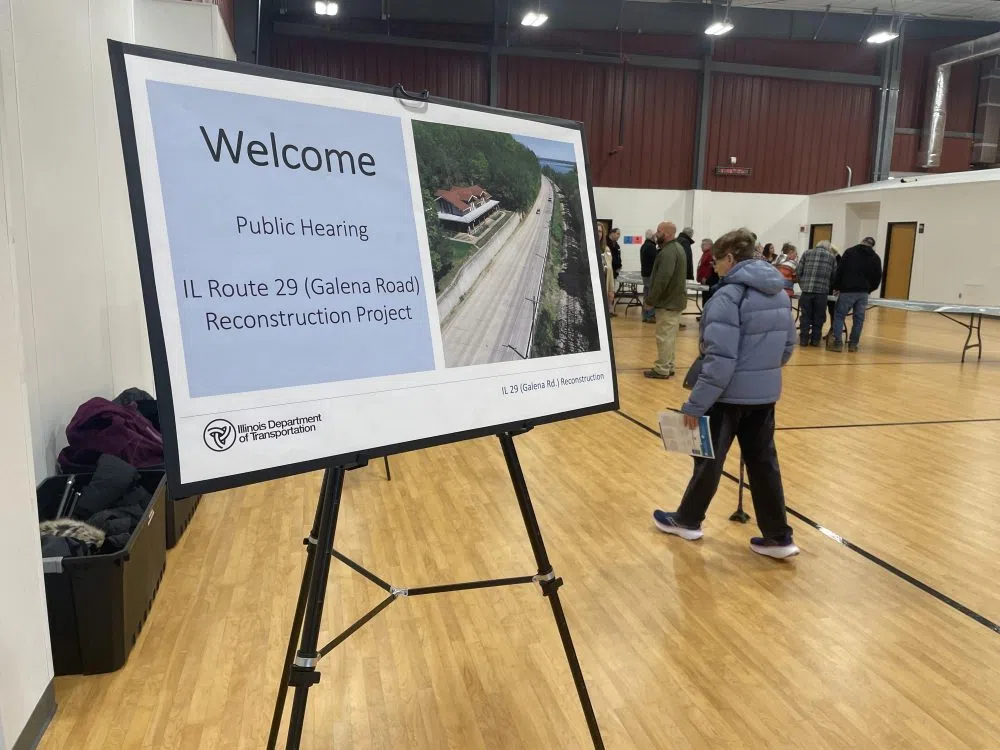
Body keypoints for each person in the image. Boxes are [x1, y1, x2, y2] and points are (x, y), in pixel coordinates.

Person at [652, 227, 799, 559]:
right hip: (764, 398)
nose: (714, 266)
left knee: (709, 462)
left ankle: (687, 520)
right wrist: (761, 373)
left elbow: (718, 361)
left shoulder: (727, 297)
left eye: (717, 260)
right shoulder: (779, 293)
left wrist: (694, 406)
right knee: (764, 466)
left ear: (730, 258)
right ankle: (779, 537)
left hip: (726, 399)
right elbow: (788, 346)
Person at [643, 222, 687, 379]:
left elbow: (662, 279)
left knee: (664, 337)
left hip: (667, 302)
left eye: (659, 231)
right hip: (674, 301)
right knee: (669, 337)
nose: (656, 234)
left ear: (667, 234)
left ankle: (662, 368)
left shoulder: (668, 252)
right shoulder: (677, 248)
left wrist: (650, 300)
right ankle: (669, 365)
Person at [829, 236, 882, 352]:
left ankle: (837, 343)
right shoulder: (875, 257)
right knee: (858, 320)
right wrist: (869, 289)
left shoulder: (849, 252)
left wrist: (836, 286)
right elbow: (878, 277)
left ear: (862, 241)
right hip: (863, 293)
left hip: (847, 291)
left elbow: (840, 270)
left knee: (839, 316)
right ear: (872, 246)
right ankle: (853, 344)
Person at [796, 240, 837, 347]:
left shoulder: (807, 253)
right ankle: (815, 340)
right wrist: (828, 285)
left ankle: (803, 340)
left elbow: (798, 271)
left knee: (805, 316)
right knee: (819, 317)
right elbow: (834, 276)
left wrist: (803, 284)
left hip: (806, 291)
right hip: (822, 292)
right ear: (828, 248)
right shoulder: (831, 257)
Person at [639, 229, 659, 323]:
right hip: (650, 274)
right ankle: (650, 315)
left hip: (645, 273)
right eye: (655, 236)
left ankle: (645, 315)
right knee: (651, 295)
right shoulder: (651, 247)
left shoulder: (643, 246)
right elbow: (655, 261)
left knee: (646, 295)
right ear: (652, 237)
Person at [597, 223, 616, 316]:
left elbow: (610, 271)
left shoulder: (606, 249)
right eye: (596, 231)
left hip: (604, 287)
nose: (598, 233)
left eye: (600, 231)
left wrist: (611, 290)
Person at [696, 238, 719, 306]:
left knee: (707, 297)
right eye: (701, 245)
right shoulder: (706, 253)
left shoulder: (710, 254)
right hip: (705, 280)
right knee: (705, 296)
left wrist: (705, 277)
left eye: (703, 245)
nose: (701, 246)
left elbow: (710, 267)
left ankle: (706, 310)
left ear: (710, 245)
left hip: (707, 280)